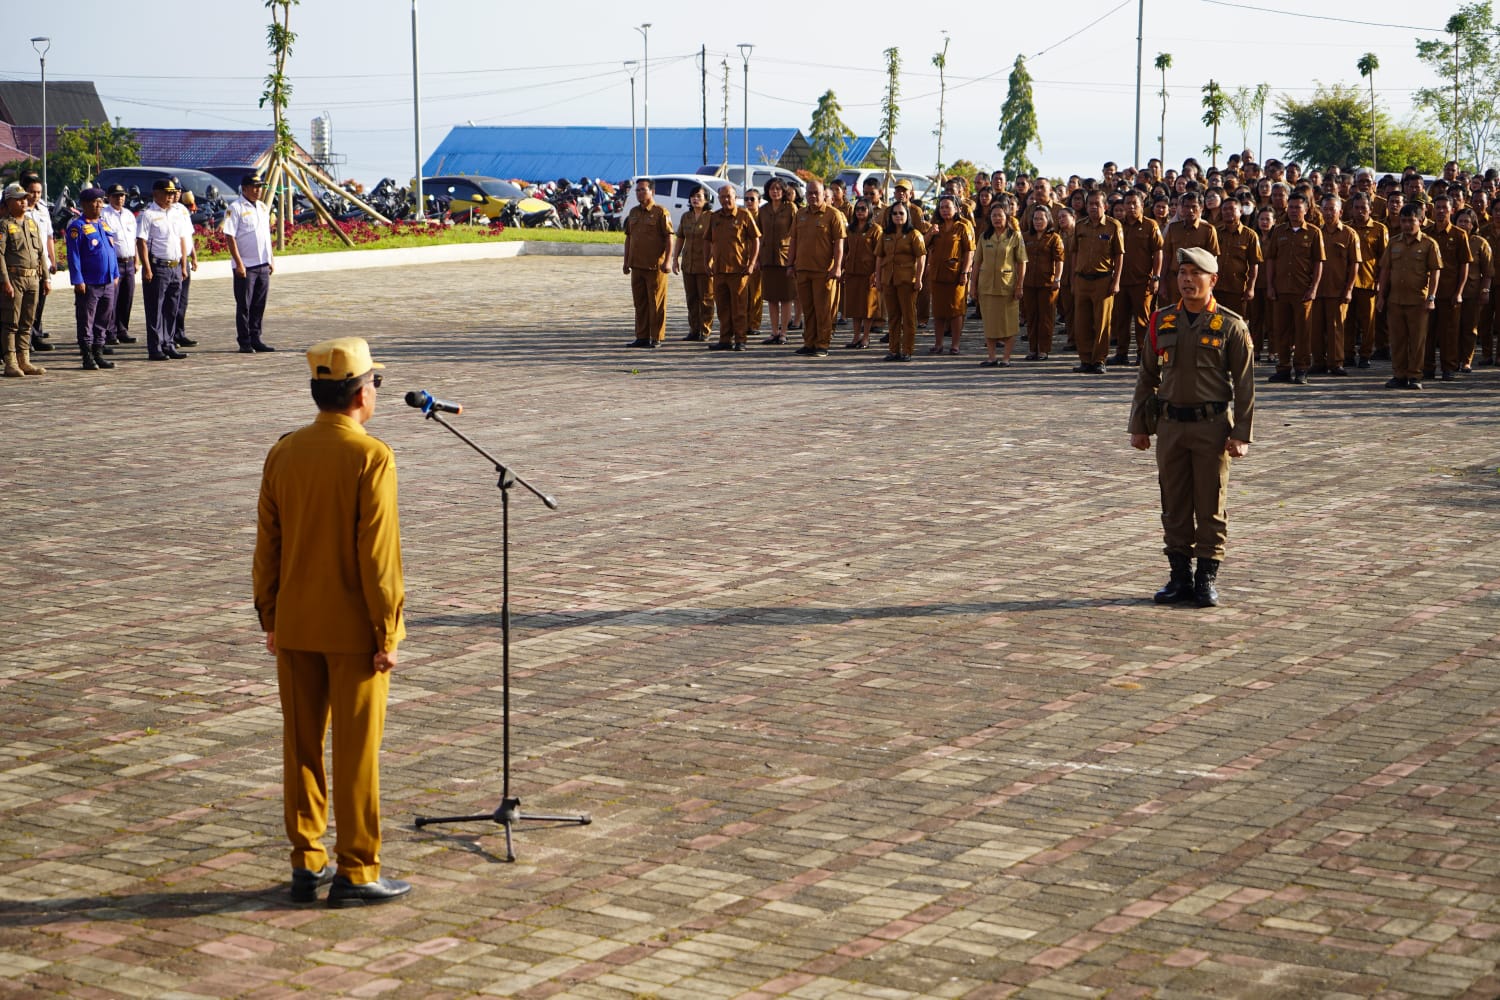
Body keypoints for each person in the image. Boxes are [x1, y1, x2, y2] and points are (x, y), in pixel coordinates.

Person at [253, 337, 412, 908]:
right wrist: (387, 631)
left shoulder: (285, 452)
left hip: (295, 623)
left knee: (300, 746)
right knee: (355, 751)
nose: (376, 392)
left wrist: (270, 614)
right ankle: (358, 868)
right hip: (354, 633)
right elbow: (379, 559)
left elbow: (266, 545)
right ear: (358, 394)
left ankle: (307, 859)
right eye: (375, 384)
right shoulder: (370, 456)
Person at [1129, 247, 1254, 608]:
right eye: (1182, 273)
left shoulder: (1231, 325)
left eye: (1195, 274)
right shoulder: (1162, 321)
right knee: (1174, 502)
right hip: (1170, 427)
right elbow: (1147, 377)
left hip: (1211, 427)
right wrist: (1140, 426)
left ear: (1212, 280)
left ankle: (1206, 578)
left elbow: (1245, 384)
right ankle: (1179, 576)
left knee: (1210, 503)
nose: (1186, 280)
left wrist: (1241, 433)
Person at [1376, 204, 1443, 390]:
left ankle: (1415, 376)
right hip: (1395, 300)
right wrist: (1381, 296)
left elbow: (1435, 272)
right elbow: (1385, 270)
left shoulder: (1429, 244)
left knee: (1417, 341)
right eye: (1403, 221)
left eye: (1411, 221)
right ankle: (1399, 375)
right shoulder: (1394, 242)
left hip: (1418, 302)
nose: (1406, 225)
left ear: (1420, 221)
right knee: (1397, 340)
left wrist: (1431, 298)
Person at [1264, 193, 1324, 384]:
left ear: (1306, 210)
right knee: (1281, 331)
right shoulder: (1279, 231)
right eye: (1290, 207)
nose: (1293, 211)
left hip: (1303, 290)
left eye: (1297, 207)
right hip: (1281, 289)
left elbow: (1318, 262)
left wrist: (1314, 288)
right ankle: (1283, 368)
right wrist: (1270, 285)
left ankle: (1301, 369)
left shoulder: (1314, 232)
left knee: (1303, 332)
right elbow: (1271, 259)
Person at [785, 179, 846, 357]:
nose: (812, 196)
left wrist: (837, 266)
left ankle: (822, 344)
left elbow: (839, 244)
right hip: (803, 269)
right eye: (809, 193)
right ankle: (809, 342)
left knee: (823, 309)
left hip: (824, 272)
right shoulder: (800, 214)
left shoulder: (833, 215)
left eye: (816, 193)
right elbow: (793, 241)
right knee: (808, 308)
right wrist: (790, 264)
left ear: (824, 194)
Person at [63, 187, 120, 371]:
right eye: (95, 201)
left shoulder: (103, 224)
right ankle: (87, 356)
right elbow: (74, 256)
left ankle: (98, 353)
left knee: (103, 319)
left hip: (108, 281)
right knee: (86, 320)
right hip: (90, 282)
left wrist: (116, 273)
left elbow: (111, 251)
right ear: (85, 204)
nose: (99, 205)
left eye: (101, 201)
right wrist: (77, 279)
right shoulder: (77, 227)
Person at [1070, 190, 1125, 373]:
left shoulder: (1113, 226)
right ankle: (1085, 359)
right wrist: (1073, 279)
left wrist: (1116, 281)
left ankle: (1099, 360)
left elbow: (1119, 255)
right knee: (1081, 322)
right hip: (1082, 279)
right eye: (1090, 204)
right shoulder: (1080, 226)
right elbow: (1074, 252)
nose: (1093, 207)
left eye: (1097, 204)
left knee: (1102, 322)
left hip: (1103, 280)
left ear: (1105, 206)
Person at [137, 178, 190, 361]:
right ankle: (155, 346)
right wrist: (147, 267)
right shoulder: (148, 214)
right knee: (155, 309)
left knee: (172, 308)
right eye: (166, 193)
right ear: (156, 194)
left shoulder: (176, 213)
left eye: (172, 193)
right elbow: (141, 241)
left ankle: (168, 343)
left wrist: (184, 264)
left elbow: (182, 239)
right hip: (158, 266)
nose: (170, 197)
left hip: (175, 266)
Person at [223, 172, 276, 353]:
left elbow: (265, 235)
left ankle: (256, 337)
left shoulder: (262, 207)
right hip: (246, 265)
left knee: (259, 304)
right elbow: (229, 236)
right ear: (244, 189)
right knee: (244, 305)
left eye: (260, 187)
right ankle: (244, 341)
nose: (258, 190)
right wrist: (238, 263)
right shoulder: (235, 208)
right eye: (254, 187)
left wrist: (271, 259)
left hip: (262, 263)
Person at [1110, 190, 1164, 365]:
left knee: (1143, 320)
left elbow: (1158, 253)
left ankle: (1143, 353)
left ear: (1142, 205)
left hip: (1142, 281)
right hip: (1121, 281)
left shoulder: (1150, 225)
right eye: (1128, 203)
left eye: (1135, 203)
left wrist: (1155, 277)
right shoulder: (1117, 226)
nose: (1131, 207)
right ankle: (1121, 353)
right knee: (1121, 319)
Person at [1422, 194, 1472, 380]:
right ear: (1432, 210)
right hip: (1428, 292)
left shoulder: (1459, 235)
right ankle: (1427, 367)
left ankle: (1448, 367)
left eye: (1445, 207)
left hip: (1450, 292)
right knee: (1427, 333)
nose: (1441, 211)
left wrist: (1459, 292)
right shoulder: (1426, 232)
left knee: (1449, 333)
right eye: (1438, 207)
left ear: (1452, 210)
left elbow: (1464, 265)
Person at [704, 183, 760, 352]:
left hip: (739, 270)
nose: (725, 200)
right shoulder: (714, 217)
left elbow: (756, 240)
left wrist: (751, 263)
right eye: (722, 197)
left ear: (736, 198)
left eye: (729, 196)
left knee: (739, 308)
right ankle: (725, 339)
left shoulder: (744, 215)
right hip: (719, 270)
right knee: (722, 308)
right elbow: (707, 240)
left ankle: (740, 340)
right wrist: (707, 261)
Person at [972, 198, 1026, 366]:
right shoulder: (984, 237)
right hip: (987, 286)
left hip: (1008, 286)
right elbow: (976, 262)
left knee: (1008, 323)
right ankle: (992, 356)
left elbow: (1022, 262)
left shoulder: (1015, 236)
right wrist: (972, 285)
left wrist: (1019, 285)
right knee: (990, 323)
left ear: (1007, 217)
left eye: (1000, 215)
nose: (997, 219)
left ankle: (1006, 358)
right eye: (994, 216)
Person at [1, 182, 48, 377]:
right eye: (19, 200)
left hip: (32, 278)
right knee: (10, 322)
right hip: (14, 278)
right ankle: (10, 361)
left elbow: (41, 252)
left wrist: (46, 277)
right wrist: (5, 281)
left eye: (25, 199)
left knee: (27, 321)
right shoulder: (4, 225)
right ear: (9, 202)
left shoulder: (31, 223)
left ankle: (24, 360)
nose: (24, 202)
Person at [621, 178, 673, 349]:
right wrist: (626, 261)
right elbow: (629, 238)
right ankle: (641, 336)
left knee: (656, 303)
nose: (640, 193)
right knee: (640, 303)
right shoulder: (633, 213)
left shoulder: (660, 212)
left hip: (655, 266)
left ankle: (656, 337)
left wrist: (667, 261)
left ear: (652, 192)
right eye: (638, 190)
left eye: (643, 190)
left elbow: (669, 237)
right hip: (637, 265)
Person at [875, 202, 926, 362]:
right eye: (895, 213)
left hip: (906, 280)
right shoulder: (885, 234)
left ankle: (907, 350)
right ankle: (893, 350)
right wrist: (877, 278)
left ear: (907, 216)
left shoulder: (914, 234)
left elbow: (921, 256)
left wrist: (918, 279)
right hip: (888, 280)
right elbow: (879, 257)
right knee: (893, 316)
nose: (898, 216)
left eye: (901, 213)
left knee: (908, 316)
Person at [925, 194, 974, 354]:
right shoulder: (936, 226)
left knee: (956, 310)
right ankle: (938, 344)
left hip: (955, 274)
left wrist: (965, 272)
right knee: (938, 310)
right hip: (937, 274)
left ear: (957, 209)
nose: (945, 210)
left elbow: (969, 251)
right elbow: (922, 246)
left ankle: (955, 345)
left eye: (948, 207)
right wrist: (930, 234)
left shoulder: (962, 226)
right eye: (942, 207)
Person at [1344, 192, 1387, 369]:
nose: (1360, 211)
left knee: (1368, 324)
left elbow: (1384, 260)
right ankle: (1347, 355)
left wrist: (1380, 282)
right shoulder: (1345, 228)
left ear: (1370, 209)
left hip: (1369, 282)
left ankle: (1365, 355)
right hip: (1346, 283)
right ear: (1351, 210)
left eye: (1364, 208)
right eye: (1356, 208)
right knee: (1347, 322)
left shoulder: (1379, 229)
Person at [1021, 204, 1063, 361]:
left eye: (1041, 218)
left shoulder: (1054, 238)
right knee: (1031, 316)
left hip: (1048, 283)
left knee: (1046, 318)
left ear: (1048, 220)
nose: (1038, 221)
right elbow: (1020, 260)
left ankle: (1044, 349)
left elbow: (1059, 261)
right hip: (1029, 282)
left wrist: (1057, 279)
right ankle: (1033, 349)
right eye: (1035, 218)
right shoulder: (1025, 237)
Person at [671, 187, 713, 342]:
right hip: (689, 263)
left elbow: (715, 240)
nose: (695, 199)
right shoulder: (686, 217)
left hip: (705, 263)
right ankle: (694, 329)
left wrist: (711, 260)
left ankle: (705, 329)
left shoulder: (711, 217)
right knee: (691, 298)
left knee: (706, 298)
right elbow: (680, 237)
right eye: (692, 196)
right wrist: (675, 258)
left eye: (699, 196)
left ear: (706, 199)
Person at [757, 178, 795, 344]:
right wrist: (757, 258)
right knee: (771, 297)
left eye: (779, 189)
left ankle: (784, 332)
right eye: (772, 189)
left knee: (786, 297)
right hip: (767, 258)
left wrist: (794, 261)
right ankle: (774, 331)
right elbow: (758, 236)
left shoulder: (791, 208)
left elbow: (796, 236)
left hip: (785, 258)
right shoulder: (763, 210)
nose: (775, 192)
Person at [100, 183, 139, 348]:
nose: (120, 198)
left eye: (122, 195)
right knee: (112, 299)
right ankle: (110, 331)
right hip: (114, 262)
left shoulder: (129, 214)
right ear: (108, 197)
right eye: (116, 195)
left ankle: (122, 329)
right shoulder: (104, 214)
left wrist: (137, 260)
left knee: (127, 297)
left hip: (129, 261)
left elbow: (134, 240)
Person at [20, 173, 55, 353]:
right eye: (32, 192)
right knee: (27, 304)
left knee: (40, 301)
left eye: (39, 192)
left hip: (43, 262)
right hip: (26, 263)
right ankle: (26, 338)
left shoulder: (43, 209)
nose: (36, 196)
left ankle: (36, 334)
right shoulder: (20, 211)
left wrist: (53, 260)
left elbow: (49, 237)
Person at [1455, 207, 1493, 370]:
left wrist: (1485, 291)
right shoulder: (1450, 239)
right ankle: (1452, 359)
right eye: (1460, 221)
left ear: (1473, 225)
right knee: (1452, 328)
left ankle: (1466, 360)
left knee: (1470, 328)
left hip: (1472, 291)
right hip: (1451, 290)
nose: (1463, 225)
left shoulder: (1480, 242)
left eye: (1467, 222)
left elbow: (1488, 271)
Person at [841, 198, 880, 349]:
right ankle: (856, 336)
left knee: (867, 307)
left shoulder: (875, 229)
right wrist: (842, 268)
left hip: (868, 273)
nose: (860, 212)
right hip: (852, 271)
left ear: (869, 210)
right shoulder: (850, 229)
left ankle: (866, 337)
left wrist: (877, 273)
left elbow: (879, 254)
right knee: (854, 306)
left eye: (863, 209)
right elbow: (845, 251)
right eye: (858, 209)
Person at [170, 186, 199, 348]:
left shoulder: (182, 210)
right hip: (174, 260)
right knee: (171, 301)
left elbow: (188, 235)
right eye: (173, 192)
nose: (176, 195)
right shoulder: (163, 211)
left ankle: (179, 333)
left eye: (178, 192)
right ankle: (169, 335)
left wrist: (193, 256)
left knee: (183, 301)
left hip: (185, 259)